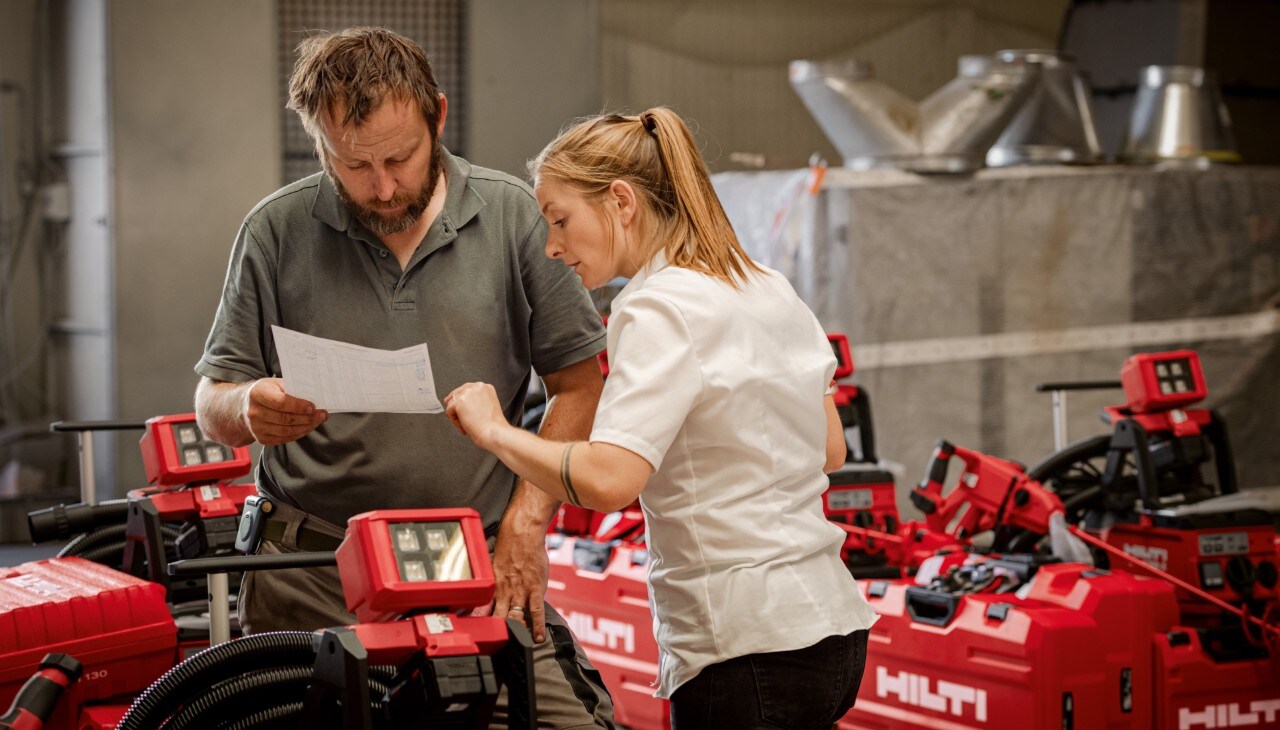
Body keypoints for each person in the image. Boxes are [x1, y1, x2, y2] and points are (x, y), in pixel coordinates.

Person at [194, 27, 616, 728]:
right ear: (317, 141)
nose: (384, 187)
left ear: (438, 117)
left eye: (400, 157)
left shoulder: (513, 217)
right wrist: (247, 407)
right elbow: (212, 399)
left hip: (475, 567)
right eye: (354, 164)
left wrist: (527, 523)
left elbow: (580, 383)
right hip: (310, 575)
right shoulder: (275, 230)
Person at [445, 107, 879, 729]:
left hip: (744, 648)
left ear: (621, 201)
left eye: (560, 220)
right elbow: (830, 449)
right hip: (832, 631)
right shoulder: (767, 285)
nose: (552, 247)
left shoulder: (655, 307)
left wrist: (495, 432)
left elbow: (609, 481)